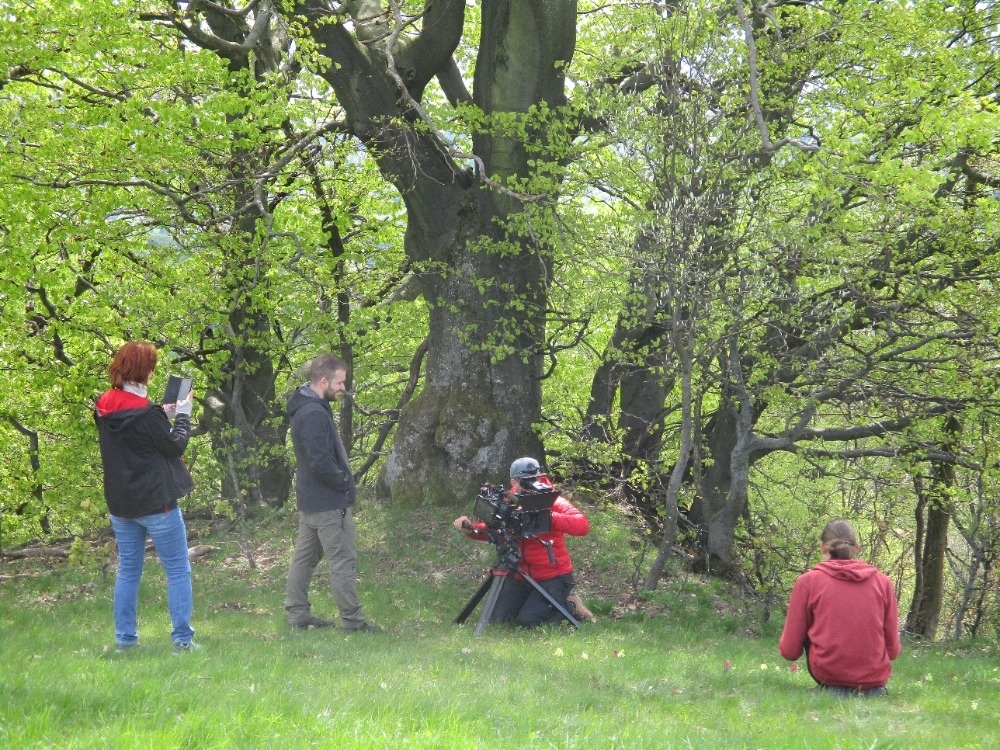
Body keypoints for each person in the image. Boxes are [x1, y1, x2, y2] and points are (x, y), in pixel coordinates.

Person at [94, 341, 198, 652]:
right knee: (178, 569)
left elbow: (134, 433)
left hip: (121, 502)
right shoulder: (147, 413)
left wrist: (161, 414)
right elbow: (174, 446)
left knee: (128, 570)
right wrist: (182, 415)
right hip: (157, 502)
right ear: (145, 371)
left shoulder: (102, 404)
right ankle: (183, 640)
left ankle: (125, 641)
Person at [284, 354, 381, 632]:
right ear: (323, 380)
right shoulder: (313, 413)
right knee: (342, 560)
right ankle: (352, 621)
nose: (343, 388)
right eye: (339, 382)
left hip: (310, 500)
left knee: (303, 559)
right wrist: (345, 485)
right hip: (327, 503)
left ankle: (298, 614)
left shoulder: (307, 406)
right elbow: (320, 462)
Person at [453, 457, 594, 627]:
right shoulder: (511, 499)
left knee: (529, 621)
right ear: (514, 481)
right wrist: (471, 529)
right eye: (523, 482)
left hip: (553, 576)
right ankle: (532, 602)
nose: (529, 485)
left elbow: (582, 525)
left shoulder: (552, 500)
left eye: (533, 480)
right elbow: (498, 528)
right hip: (521, 575)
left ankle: (571, 605)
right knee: (498, 621)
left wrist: (548, 517)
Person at [779, 519, 901, 697]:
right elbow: (893, 651)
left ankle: (832, 684)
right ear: (857, 548)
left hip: (829, 676)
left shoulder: (809, 582)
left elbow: (789, 651)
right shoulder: (883, 583)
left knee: (810, 625)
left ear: (822, 548)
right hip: (874, 682)